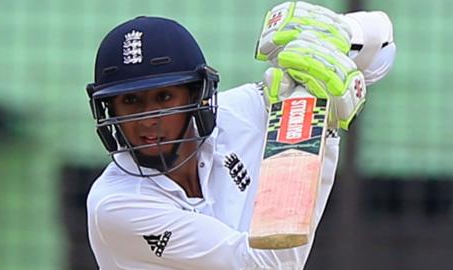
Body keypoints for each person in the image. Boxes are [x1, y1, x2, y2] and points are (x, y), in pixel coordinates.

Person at [85, 2, 395, 269]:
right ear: (109, 109)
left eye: (164, 98)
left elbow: (381, 43)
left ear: (198, 95)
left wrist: (340, 33)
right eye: (130, 101)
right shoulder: (116, 205)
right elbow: (268, 265)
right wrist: (319, 126)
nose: (147, 120)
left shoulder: (239, 113)